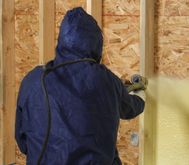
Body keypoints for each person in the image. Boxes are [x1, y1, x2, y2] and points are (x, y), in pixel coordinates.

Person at [15, 7, 145, 165]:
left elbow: (22, 141)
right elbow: (131, 108)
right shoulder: (106, 80)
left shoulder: (34, 79)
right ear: (96, 43)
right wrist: (141, 94)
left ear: (62, 40)